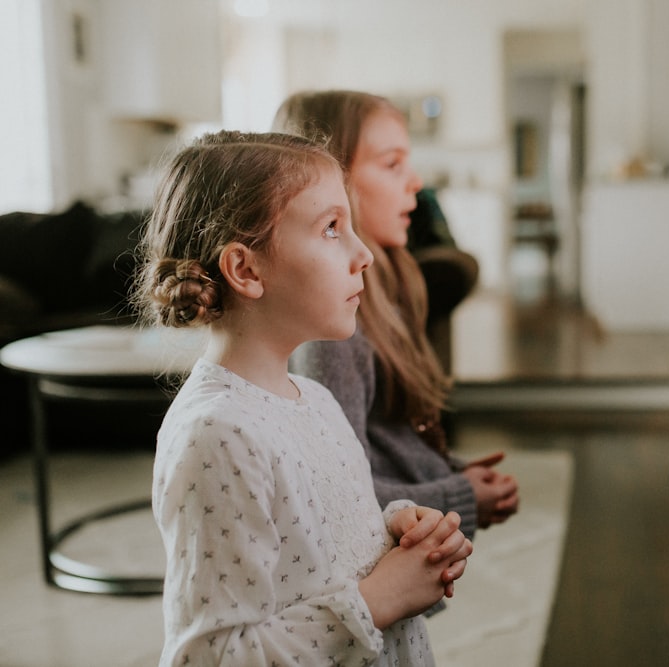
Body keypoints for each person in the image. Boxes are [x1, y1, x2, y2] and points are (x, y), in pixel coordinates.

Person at [135, 129, 473, 666]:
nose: (362, 253)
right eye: (332, 228)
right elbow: (210, 656)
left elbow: (321, 549)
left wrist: (398, 531)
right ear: (246, 270)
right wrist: (383, 596)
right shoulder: (217, 434)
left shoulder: (312, 397)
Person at [273, 90, 519, 539]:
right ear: (331, 182)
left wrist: (450, 473)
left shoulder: (393, 285)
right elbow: (337, 490)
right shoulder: (335, 329)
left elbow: (386, 443)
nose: (416, 183)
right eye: (392, 165)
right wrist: (457, 495)